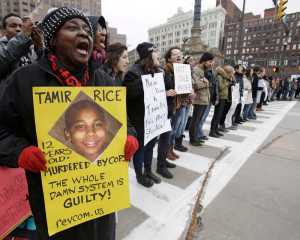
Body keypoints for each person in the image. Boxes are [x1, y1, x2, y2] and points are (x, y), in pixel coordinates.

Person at [0, 7, 138, 240]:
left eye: (87, 29)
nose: (84, 34)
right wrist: (20, 152)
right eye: (72, 28)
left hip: (101, 199)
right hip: (55, 203)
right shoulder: (24, 80)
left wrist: (130, 136)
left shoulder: (103, 80)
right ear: (53, 39)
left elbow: (126, 121)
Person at [123, 42, 163, 187]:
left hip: (153, 118)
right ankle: (139, 175)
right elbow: (130, 94)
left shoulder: (157, 70)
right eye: (155, 52)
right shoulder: (133, 72)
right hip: (139, 119)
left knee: (151, 146)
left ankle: (148, 170)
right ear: (148, 55)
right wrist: (146, 80)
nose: (158, 55)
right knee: (140, 148)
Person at [0, 14, 44, 82]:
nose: (18, 29)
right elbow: (3, 61)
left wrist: (39, 46)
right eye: (13, 26)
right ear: (3, 30)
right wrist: (23, 36)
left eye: (21, 26)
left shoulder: (29, 48)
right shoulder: (2, 47)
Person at [189, 55, 210, 145]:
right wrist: (206, 83)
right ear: (204, 61)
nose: (211, 64)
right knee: (196, 120)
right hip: (199, 98)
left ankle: (196, 137)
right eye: (210, 61)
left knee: (199, 120)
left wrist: (206, 82)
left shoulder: (202, 70)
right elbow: (196, 85)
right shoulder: (196, 70)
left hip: (204, 98)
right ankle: (193, 139)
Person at [210, 65, 233, 138]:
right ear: (227, 72)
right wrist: (228, 83)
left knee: (219, 115)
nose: (232, 74)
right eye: (231, 73)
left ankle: (216, 130)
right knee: (216, 115)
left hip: (224, 97)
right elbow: (220, 87)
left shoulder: (225, 77)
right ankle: (212, 131)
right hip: (220, 98)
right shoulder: (220, 77)